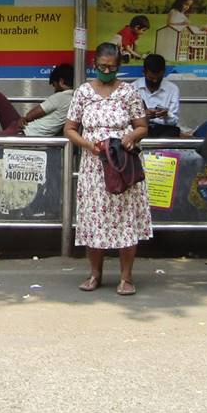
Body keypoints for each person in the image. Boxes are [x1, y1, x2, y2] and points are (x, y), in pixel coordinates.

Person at [64, 43, 153, 296]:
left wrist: (130, 137)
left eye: (111, 68)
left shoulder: (129, 92)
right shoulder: (83, 92)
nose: (106, 71)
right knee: (94, 220)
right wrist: (88, 145)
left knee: (125, 219)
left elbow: (142, 126)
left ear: (118, 67)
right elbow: (69, 129)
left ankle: (126, 278)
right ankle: (95, 274)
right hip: (94, 167)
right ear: (94, 65)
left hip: (122, 164)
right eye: (102, 67)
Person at [0, 64, 75, 136]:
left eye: (54, 86)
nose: (54, 90)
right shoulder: (74, 100)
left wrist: (26, 118)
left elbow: (32, 114)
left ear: (61, 82)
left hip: (23, 132)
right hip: (23, 129)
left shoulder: (61, 97)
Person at [134, 53, 181, 138]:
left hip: (164, 129)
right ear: (144, 72)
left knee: (174, 132)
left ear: (164, 72)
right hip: (140, 128)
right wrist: (143, 116)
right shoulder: (133, 88)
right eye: (151, 78)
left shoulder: (173, 89)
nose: (155, 81)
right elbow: (126, 119)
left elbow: (174, 121)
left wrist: (166, 115)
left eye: (159, 78)